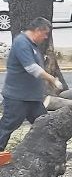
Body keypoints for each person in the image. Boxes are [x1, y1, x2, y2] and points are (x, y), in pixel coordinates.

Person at [0, 17, 62, 151]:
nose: (46, 37)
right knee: (8, 125)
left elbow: (37, 69)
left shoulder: (31, 45)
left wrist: (47, 82)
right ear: (37, 30)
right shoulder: (21, 43)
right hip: (18, 97)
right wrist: (51, 79)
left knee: (45, 125)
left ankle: (53, 152)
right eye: (45, 34)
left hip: (32, 98)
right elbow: (32, 68)